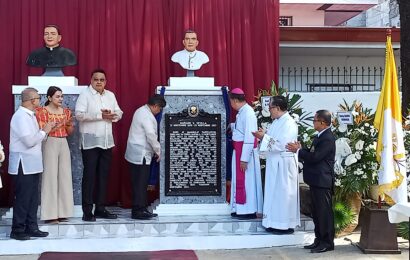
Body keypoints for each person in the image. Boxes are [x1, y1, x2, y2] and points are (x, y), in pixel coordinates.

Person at [75, 69, 123, 221]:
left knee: (103, 176)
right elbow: (79, 115)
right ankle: (87, 211)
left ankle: (101, 208)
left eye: (102, 79)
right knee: (89, 177)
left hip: (106, 141)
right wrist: (99, 116)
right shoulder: (85, 95)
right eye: (96, 79)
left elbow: (119, 112)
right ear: (91, 80)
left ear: (105, 82)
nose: (99, 82)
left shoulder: (110, 95)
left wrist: (113, 115)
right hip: (90, 142)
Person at [8, 88, 56, 240]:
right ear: (31, 100)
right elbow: (29, 141)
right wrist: (44, 131)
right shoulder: (20, 117)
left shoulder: (30, 116)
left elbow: (35, 138)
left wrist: (45, 131)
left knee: (33, 198)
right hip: (23, 164)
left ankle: (31, 227)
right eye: (38, 98)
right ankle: (17, 229)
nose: (40, 100)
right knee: (23, 198)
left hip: (32, 163)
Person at [286, 110, 336, 253]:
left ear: (322, 122)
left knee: (324, 213)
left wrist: (299, 151)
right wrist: (300, 149)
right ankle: (319, 240)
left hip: (322, 181)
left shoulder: (327, 138)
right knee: (316, 212)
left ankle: (327, 242)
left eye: (315, 120)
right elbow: (312, 152)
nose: (313, 123)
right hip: (315, 181)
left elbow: (316, 157)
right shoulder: (320, 136)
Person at [253, 96, 300, 235]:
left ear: (278, 108)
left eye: (271, 108)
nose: (269, 111)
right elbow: (273, 139)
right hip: (275, 162)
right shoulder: (277, 122)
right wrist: (264, 135)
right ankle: (273, 222)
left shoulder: (289, 123)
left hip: (284, 165)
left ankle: (284, 224)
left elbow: (282, 144)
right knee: (274, 194)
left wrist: (263, 137)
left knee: (283, 195)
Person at [35, 86, 74, 224]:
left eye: (61, 96)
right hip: (49, 142)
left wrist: (68, 125)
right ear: (49, 98)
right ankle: (50, 214)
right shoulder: (42, 112)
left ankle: (64, 212)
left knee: (65, 176)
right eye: (57, 96)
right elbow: (44, 131)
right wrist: (58, 125)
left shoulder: (66, 112)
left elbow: (69, 132)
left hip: (63, 142)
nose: (61, 99)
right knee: (50, 177)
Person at [125, 95, 166, 219]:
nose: (159, 112)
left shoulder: (141, 111)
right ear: (155, 106)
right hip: (140, 153)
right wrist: (159, 151)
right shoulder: (146, 115)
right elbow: (150, 135)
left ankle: (141, 208)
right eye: (159, 109)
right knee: (140, 183)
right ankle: (138, 211)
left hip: (137, 152)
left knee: (140, 183)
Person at [229, 88, 263, 219]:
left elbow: (250, 138)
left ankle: (248, 210)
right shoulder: (242, 112)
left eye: (231, 101)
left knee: (247, 182)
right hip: (239, 150)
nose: (231, 104)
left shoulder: (248, 113)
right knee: (240, 181)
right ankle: (239, 207)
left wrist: (244, 159)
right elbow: (242, 129)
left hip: (245, 152)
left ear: (235, 100)